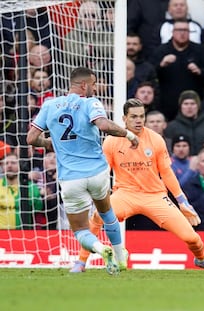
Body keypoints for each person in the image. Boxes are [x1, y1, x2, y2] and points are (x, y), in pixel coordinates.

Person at [71, 98, 204, 274]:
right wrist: (97, 196)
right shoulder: (112, 142)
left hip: (155, 196)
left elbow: (166, 172)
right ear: (124, 119)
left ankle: (201, 259)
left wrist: (182, 200)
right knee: (98, 216)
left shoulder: (156, 139)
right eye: (134, 117)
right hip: (125, 194)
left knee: (192, 238)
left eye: (141, 116)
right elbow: (104, 172)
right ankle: (81, 262)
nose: (138, 120)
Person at [26, 67, 139, 275]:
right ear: (84, 85)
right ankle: (119, 255)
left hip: (70, 178)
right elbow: (104, 125)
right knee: (106, 212)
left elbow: (31, 139)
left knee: (80, 229)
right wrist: (129, 135)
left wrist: (51, 144)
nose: (95, 89)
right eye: (94, 84)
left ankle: (98, 248)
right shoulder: (90, 103)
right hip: (97, 172)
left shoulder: (49, 105)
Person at [0, 153, 43, 229]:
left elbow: (38, 209)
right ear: (2, 167)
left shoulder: (31, 186)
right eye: (6, 163)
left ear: (20, 165)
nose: (9, 166)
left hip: (23, 235)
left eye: (13, 163)